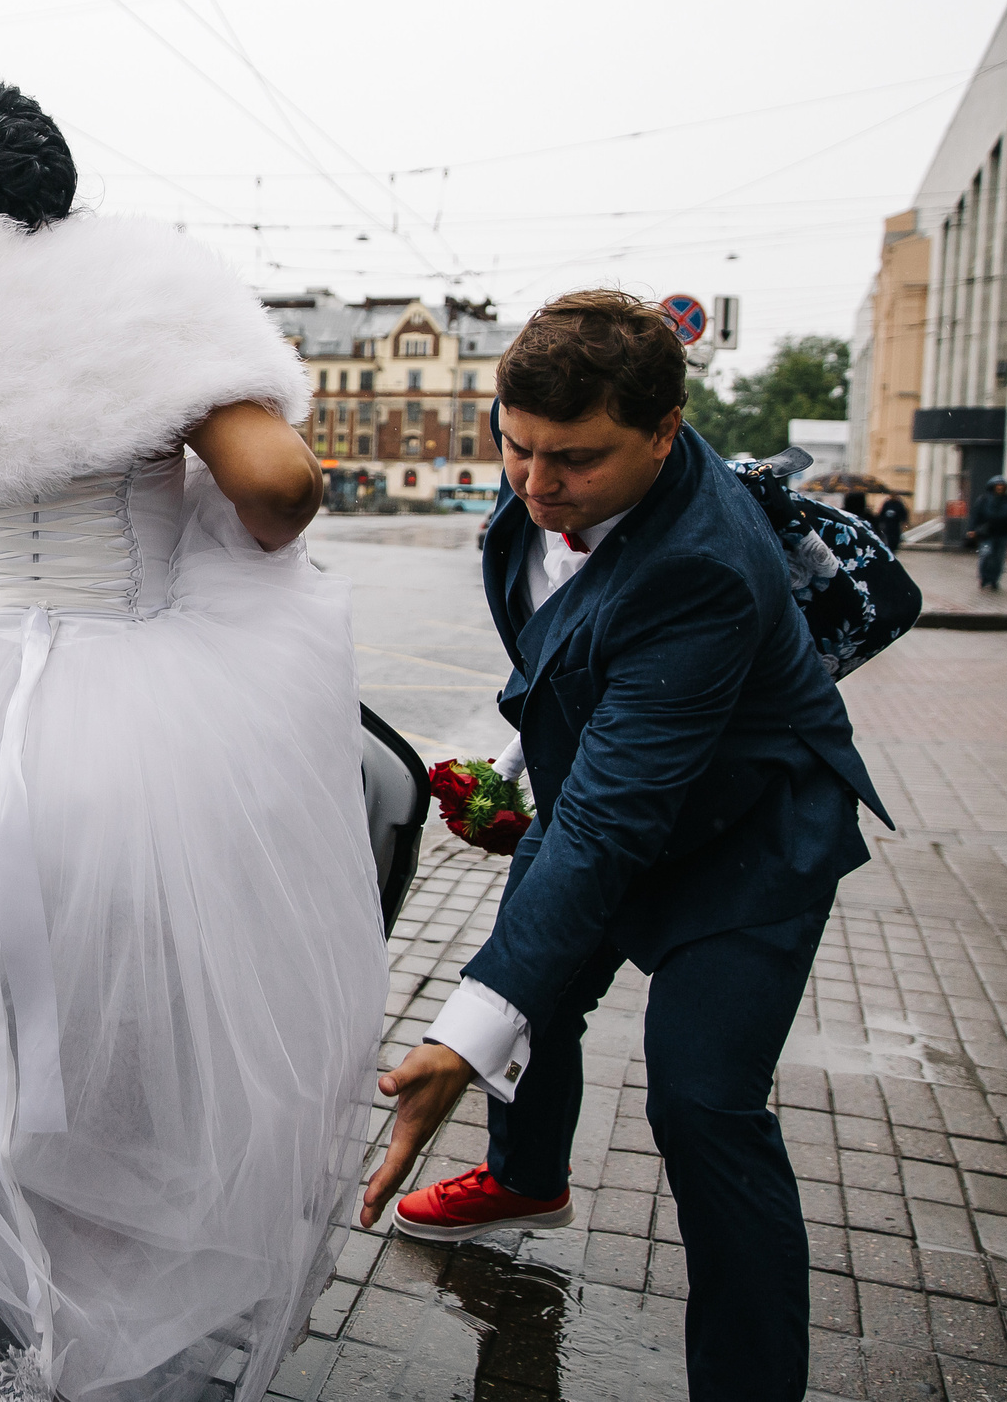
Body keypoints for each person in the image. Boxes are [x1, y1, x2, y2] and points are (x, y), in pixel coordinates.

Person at [0, 80, 387, 1402]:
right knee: (117, 1083)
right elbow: (278, 490)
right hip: (143, 756)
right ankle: (95, 1361)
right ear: (63, 182)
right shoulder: (153, 281)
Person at [359, 290, 888, 1402]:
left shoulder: (702, 565)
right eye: (517, 447)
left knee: (701, 1108)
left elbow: (607, 829)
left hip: (749, 836)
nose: (538, 486)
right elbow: (570, 677)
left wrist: (455, 1044)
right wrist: (517, 781)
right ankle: (525, 1178)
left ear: (665, 430)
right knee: (530, 981)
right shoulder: (535, 496)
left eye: (577, 461)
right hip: (618, 786)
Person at [966, 474, 1007, 591]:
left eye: (1002, 486)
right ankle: (984, 578)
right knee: (986, 555)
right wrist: (972, 529)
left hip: (1002, 533)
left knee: (998, 558)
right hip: (986, 534)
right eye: (997, 486)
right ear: (993, 487)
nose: (999, 488)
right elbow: (975, 515)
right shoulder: (984, 500)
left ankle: (994, 580)